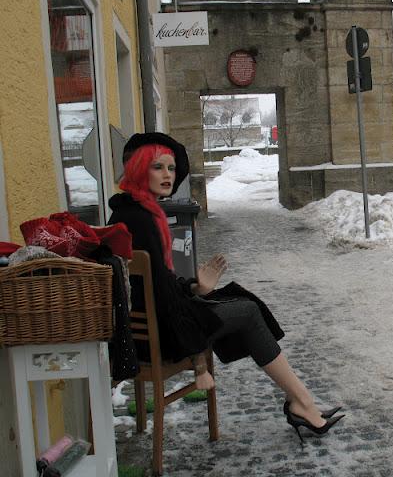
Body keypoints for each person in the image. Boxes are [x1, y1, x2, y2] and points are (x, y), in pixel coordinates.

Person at [108, 132, 343, 444]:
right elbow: (160, 297)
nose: (168, 175)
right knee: (246, 311)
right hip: (162, 335)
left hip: (148, 329)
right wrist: (197, 361)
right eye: (157, 167)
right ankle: (303, 403)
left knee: (241, 300)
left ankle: (302, 401)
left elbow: (157, 285)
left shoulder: (131, 211)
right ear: (138, 169)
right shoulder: (142, 219)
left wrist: (194, 286)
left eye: (171, 168)